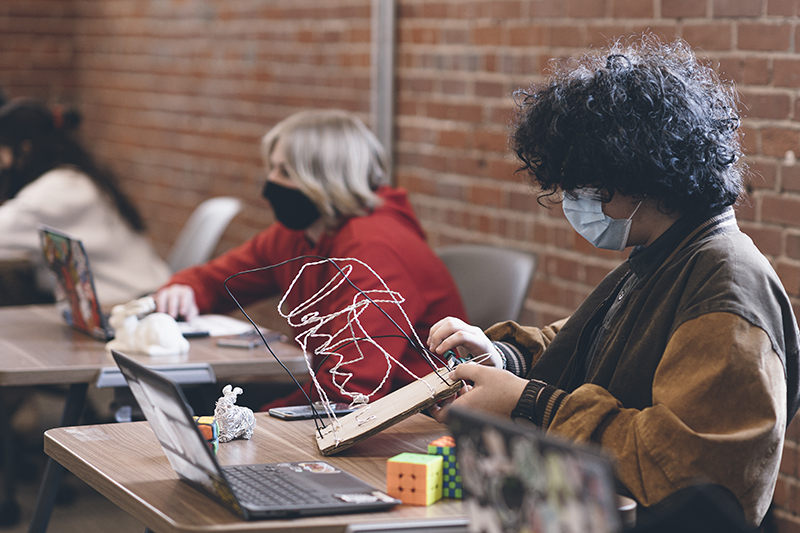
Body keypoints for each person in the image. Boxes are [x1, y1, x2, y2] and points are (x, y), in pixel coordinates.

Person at [427, 35, 800, 529]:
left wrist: (529, 402)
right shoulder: (667, 253)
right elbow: (594, 345)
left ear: (645, 173)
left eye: (586, 186)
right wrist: (504, 358)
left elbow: (687, 468)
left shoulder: (724, 286)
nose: (573, 203)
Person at [155, 109, 466, 409]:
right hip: (339, 397)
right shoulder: (299, 234)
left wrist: (261, 421)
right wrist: (185, 288)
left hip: (405, 419)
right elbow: (217, 281)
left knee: (202, 410)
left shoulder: (373, 248)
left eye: (286, 172)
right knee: (189, 401)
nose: (270, 182)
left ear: (325, 179)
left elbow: (351, 388)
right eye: (273, 167)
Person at [0, 98, 171, 305]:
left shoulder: (62, 188)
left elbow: (6, 227)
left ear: (24, 149)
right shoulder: (74, 177)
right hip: (123, 295)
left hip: (129, 300)